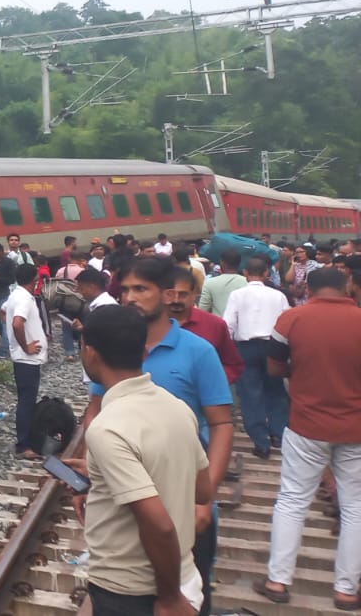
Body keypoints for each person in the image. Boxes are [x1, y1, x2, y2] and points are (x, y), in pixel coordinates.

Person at [85, 256, 234, 616]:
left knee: (190, 589)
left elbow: (221, 424)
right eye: (124, 290)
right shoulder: (120, 344)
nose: (130, 298)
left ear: (166, 295)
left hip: (181, 501)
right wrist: (95, 472)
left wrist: (204, 501)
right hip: (134, 491)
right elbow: (95, 410)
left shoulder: (198, 351)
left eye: (140, 289)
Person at [73, 304, 211, 616]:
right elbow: (202, 491)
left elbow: (159, 526)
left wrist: (170, 597)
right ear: (143, 352)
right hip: (186, 573)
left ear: (90, 353)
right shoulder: (177, 407)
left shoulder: (107, 427)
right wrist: (103, 475)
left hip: (134, 592)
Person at [257, 267, 361, 611]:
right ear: (347, 287)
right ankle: (346, 590)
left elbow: (273, 368)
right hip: (355, 429)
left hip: (306, 425)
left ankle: (278, 581)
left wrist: (298, 370)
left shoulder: (292, 319)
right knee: (356, 508)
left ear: (308, 288)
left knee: (291, 501)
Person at [222, 255, 292, 459]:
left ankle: (261, 443)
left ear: (245, 273)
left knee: (251, 394)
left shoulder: (237, 294)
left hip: (246, 347)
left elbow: (228, 324)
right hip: (273, 346)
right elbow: (286, 321)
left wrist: (227, 348)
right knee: (276, 391)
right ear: (266, 274)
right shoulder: (278, 295)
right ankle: (278, 434)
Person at [168, 268, 244, 385]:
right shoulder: (151, 324)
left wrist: (213, 384)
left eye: (183, 294)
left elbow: (232, 364)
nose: (176, 300)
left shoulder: (214, 324)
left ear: (194, 295)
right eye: (171, 295)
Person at [5, 262, 47, 458]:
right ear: (35, 280)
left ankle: (26, 441)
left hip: (22, 357)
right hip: (26, 358)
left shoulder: (16, 295)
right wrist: (25, 346)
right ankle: (24, 445)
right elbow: (17, 323)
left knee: (26, 399)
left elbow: (2, 312)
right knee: (26, 401)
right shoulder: (24, 298)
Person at [198, 248, 246, 316]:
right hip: (241, 325)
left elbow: (202, 310)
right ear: (239, 264)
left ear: (221, 263)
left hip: (218, 325)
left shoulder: (210, 283)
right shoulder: (247, 283)